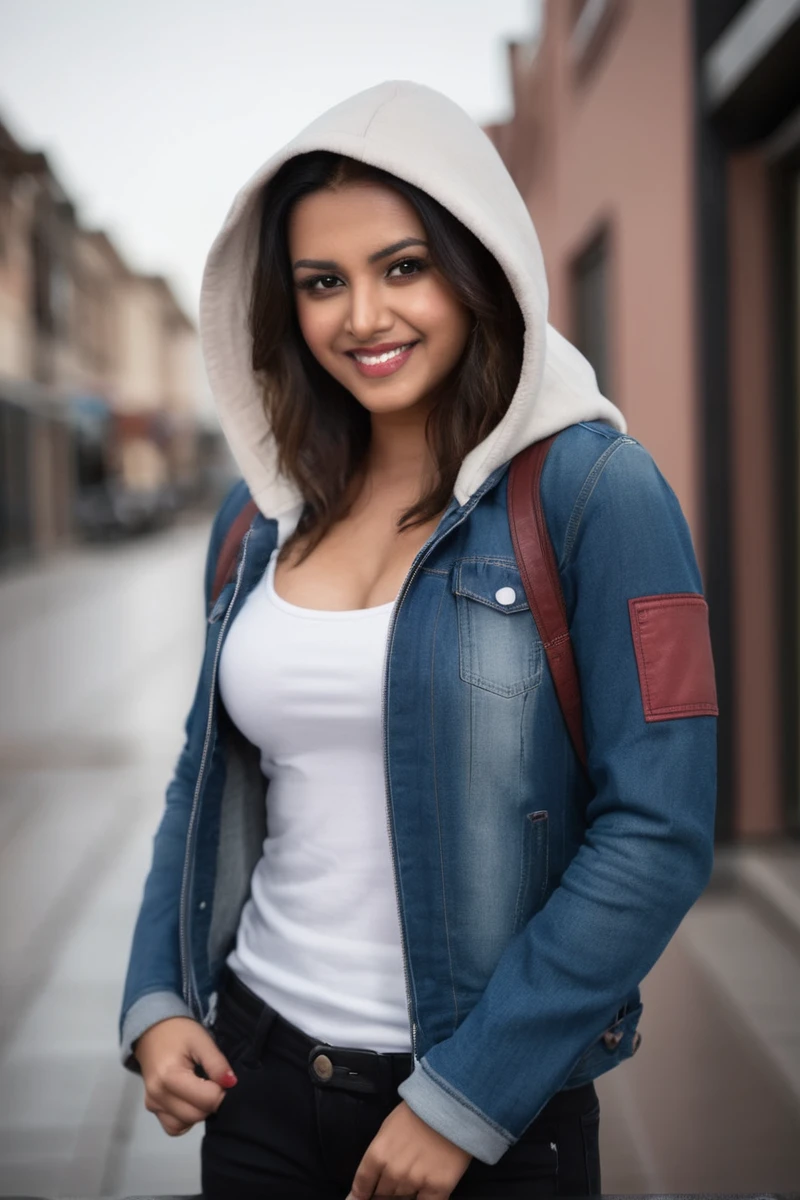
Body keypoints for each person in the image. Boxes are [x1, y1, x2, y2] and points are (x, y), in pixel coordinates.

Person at [119, 80, 718, 1199]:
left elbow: (659, 829)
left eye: (404, 267)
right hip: (254, 1081)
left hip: (486, 1115)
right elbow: (200, 776)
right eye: (321, 283)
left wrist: (467, 1096)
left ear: (480, 266)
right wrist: (155, 998)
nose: (362, 317)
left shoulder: (598, 492)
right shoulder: (257, 518)